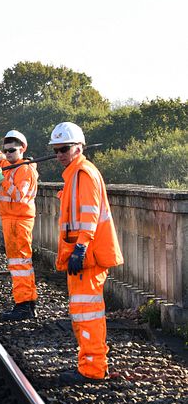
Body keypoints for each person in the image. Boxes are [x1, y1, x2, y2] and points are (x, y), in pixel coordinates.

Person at [49, 121, 123, 384]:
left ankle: (92, 369)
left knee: (87, 314)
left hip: (87, 257)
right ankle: (89, 364)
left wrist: (80, 248)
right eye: (56, 149)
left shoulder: (83, 174)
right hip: (81, 256)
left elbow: (89, 215)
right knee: (83, 313)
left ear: (78, 147)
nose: (59, 154)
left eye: (64, 148)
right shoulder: (75, 173)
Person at [0, 122, 39, 321]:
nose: (8, 154)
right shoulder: (8, 164)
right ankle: (28, 303)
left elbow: (19, 195)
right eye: (6, 151)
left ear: (22, 148)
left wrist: (2, 181)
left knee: (19, 263)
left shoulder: (25, 170)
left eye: (12, 150)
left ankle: (23, 305)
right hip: (11, 220)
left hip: (19, 221)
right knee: (20, 263)